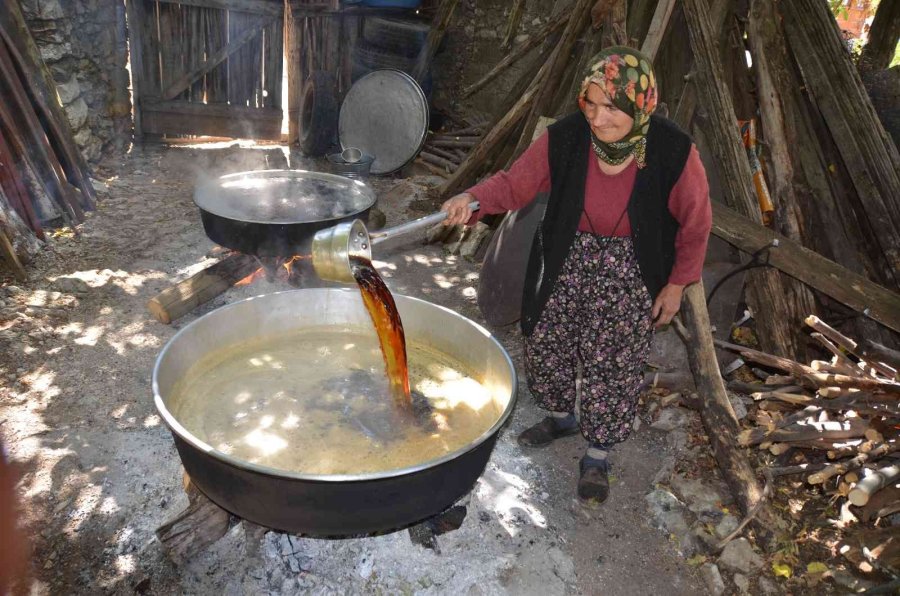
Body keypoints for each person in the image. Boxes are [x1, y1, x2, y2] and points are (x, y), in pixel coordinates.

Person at [441, 46, 712, 506]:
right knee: (547, 339)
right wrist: (472, 198)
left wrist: (677, 282)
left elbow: (696, 221)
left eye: (612, 107)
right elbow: (514, 183)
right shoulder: (564, 137)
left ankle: (598, 453)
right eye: (590, 103)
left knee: (614, 361)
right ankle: (563, 416)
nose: (599, 118)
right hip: (567, 255)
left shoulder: (672, 150)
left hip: (632, 267)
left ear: (639, 105)